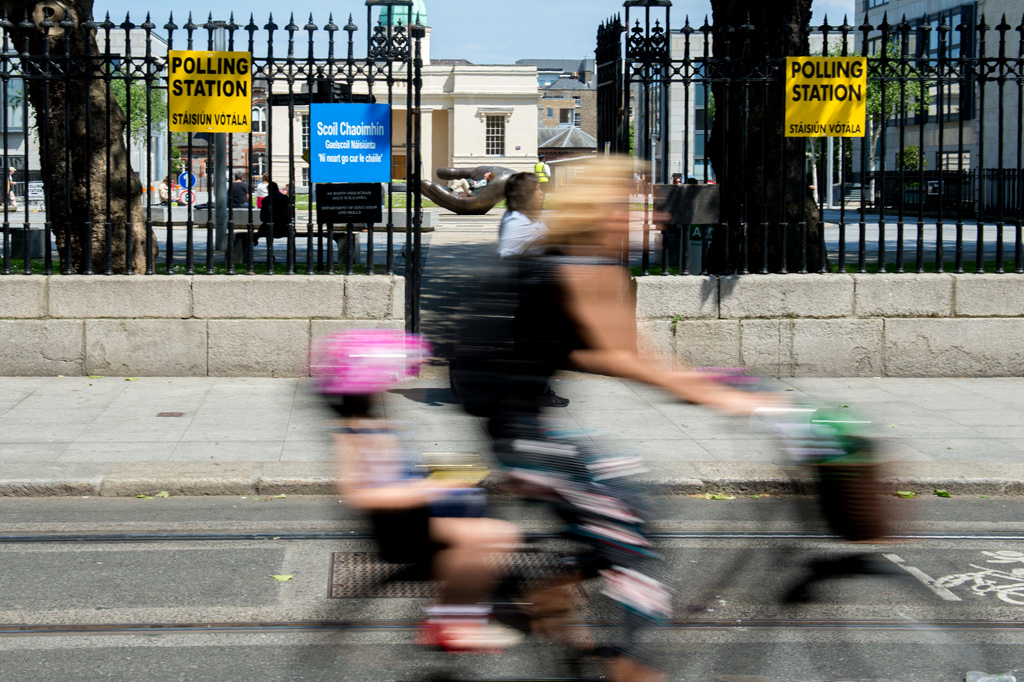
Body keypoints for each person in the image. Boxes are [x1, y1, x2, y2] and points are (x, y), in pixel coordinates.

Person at [485, 156, 772, 682]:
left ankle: (547, 593)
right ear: (604, 210)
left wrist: (714, 382)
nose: (656, 219)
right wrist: (731, 400)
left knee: (628, 507)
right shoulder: (574, 264)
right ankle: (632, 666)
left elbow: (627, 353)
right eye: (640, 207)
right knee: (629, 528)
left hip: (533, 426)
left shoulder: (594, 263)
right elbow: (622, 359)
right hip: (521, 436)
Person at [310, 329, 522, 652]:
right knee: (494, 535)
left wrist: (442, 475)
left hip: (416, 517)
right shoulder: (352, 434)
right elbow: (359, 494)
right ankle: (451, 623)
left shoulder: (371, 423)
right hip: (402, 531)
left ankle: (463, 614)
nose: (391, 384)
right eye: (384, 379)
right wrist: (432, 486)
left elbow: (397, 476)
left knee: (494, 528)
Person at [497, 172, 569, 408]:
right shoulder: (515, 222)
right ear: (525, 193)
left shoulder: (530, 218)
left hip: (542, 295)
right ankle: (532, 392)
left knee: (537, 347)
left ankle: (534, 390)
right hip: (532, 296)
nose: (542, 192)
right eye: (537, 189)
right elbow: (506, 256)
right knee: (535, 347)